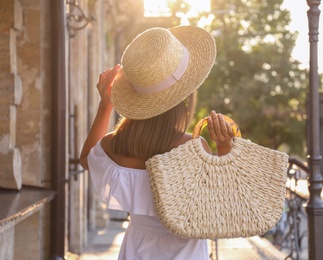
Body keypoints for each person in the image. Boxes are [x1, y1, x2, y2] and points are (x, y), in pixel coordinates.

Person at [80, 26, 234, 260]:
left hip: (135, 249)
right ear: (185, 95)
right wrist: (225, 148)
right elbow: (220, 202)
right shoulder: (191, 148)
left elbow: (88, 157)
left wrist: (106, 104)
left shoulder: (114, 145)